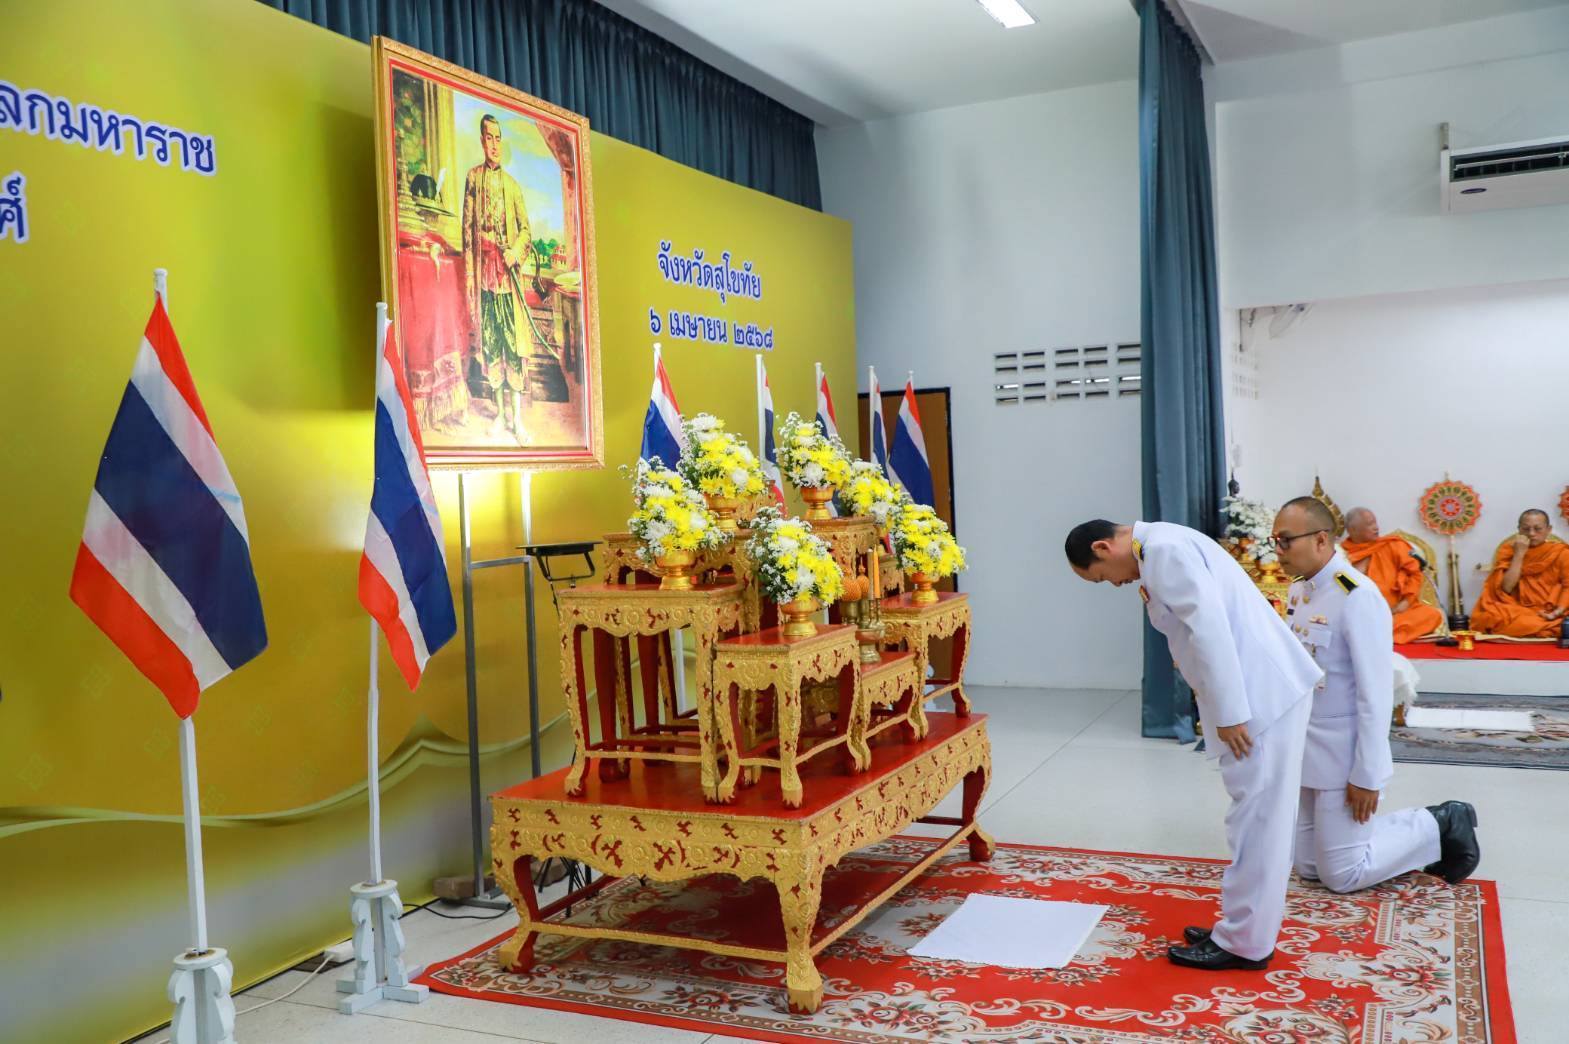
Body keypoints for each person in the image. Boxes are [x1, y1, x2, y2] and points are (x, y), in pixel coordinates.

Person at [1065, 518, 1321, 971]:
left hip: (1257, 697)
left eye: (1102, 577)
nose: (1115, 584)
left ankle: (1245, 943)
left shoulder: (1163, 551)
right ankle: (1241, 928)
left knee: (1258, 821)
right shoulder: (1160, 545)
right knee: (1255, 816)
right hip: (1260, 690)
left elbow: (1209, 629)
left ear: (1103, 547)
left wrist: (1230, 713)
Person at [1271, 497, 1480, 894]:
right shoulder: (1300, 591)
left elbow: (1375, 694)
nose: (1278, 551)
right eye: (1275, 541)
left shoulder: (1356, 595)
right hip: (1308, 748)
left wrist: (1367, 774)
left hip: (1343, 755)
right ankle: (1387, 832)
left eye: (1285, 540)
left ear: (1320, 539)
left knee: (1343, 875)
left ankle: (1439, 821)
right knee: (1309, 867)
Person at [461, 113, 534, 438]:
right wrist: (470, 274)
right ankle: (501, 415)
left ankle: (517, 418)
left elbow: (526, 231)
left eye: (498, 138)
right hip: (485, 279)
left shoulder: (513, 186)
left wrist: (514, 252)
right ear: (482, 141)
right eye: (489, 137)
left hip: (508, 280)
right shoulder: (473, 179)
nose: (494, 144)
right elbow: (467, 231)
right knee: (491, 345)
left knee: (512, 347)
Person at [1340, 508, 1445, 643]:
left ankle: (1371, 634)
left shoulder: (1393, 545)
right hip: (1361, 614)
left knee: (1432, 615)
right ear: (1353, 530)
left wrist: (1405, 602)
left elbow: (1414, 574)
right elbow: (1340, 590)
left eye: (1375, 522)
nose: (1376, 527)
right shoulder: (1340, 555)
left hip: (1396, 613)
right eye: (1369, 524)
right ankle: (1373, 632)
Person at [1470, 510, 1569, 638]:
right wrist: (1519, 554)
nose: (1531, 533)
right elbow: (1506, 588)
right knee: (1489, 617)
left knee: (1563, 622)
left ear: (1548, 530)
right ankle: (1539, 627)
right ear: (1519, 530)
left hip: (1553, 609)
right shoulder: (1508, 551)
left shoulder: (1561, 552)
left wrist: (1556, 613)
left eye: (1538, 529)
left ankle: (1539, 626)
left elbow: (1567, 586)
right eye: (1526, 529)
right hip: (1518, 609)